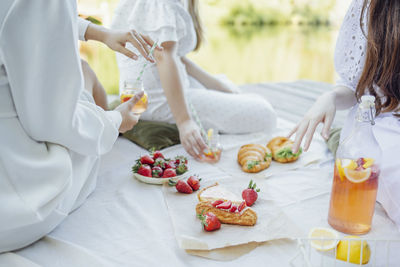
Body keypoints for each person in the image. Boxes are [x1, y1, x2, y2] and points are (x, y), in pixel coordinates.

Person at [0, 0, 156, 252]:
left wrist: (98, 33)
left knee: (83, 72)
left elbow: (19, 23)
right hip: (11, 204)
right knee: (87, 99)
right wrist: (115, 121)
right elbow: (53, 122)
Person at [111, 0, 277, 159]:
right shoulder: (162, 2)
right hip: (159, 101)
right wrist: (185, 122)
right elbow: (164, 57)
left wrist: (217, 84)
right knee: (265, 113)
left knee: (225, 83)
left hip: (153, 93)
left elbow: (176, 57)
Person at [289, 0, 400, 230]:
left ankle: (336, 139)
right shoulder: (369, 7)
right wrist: (329, 98)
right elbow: (355, 88)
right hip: (381, 123)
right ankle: (339, 139)